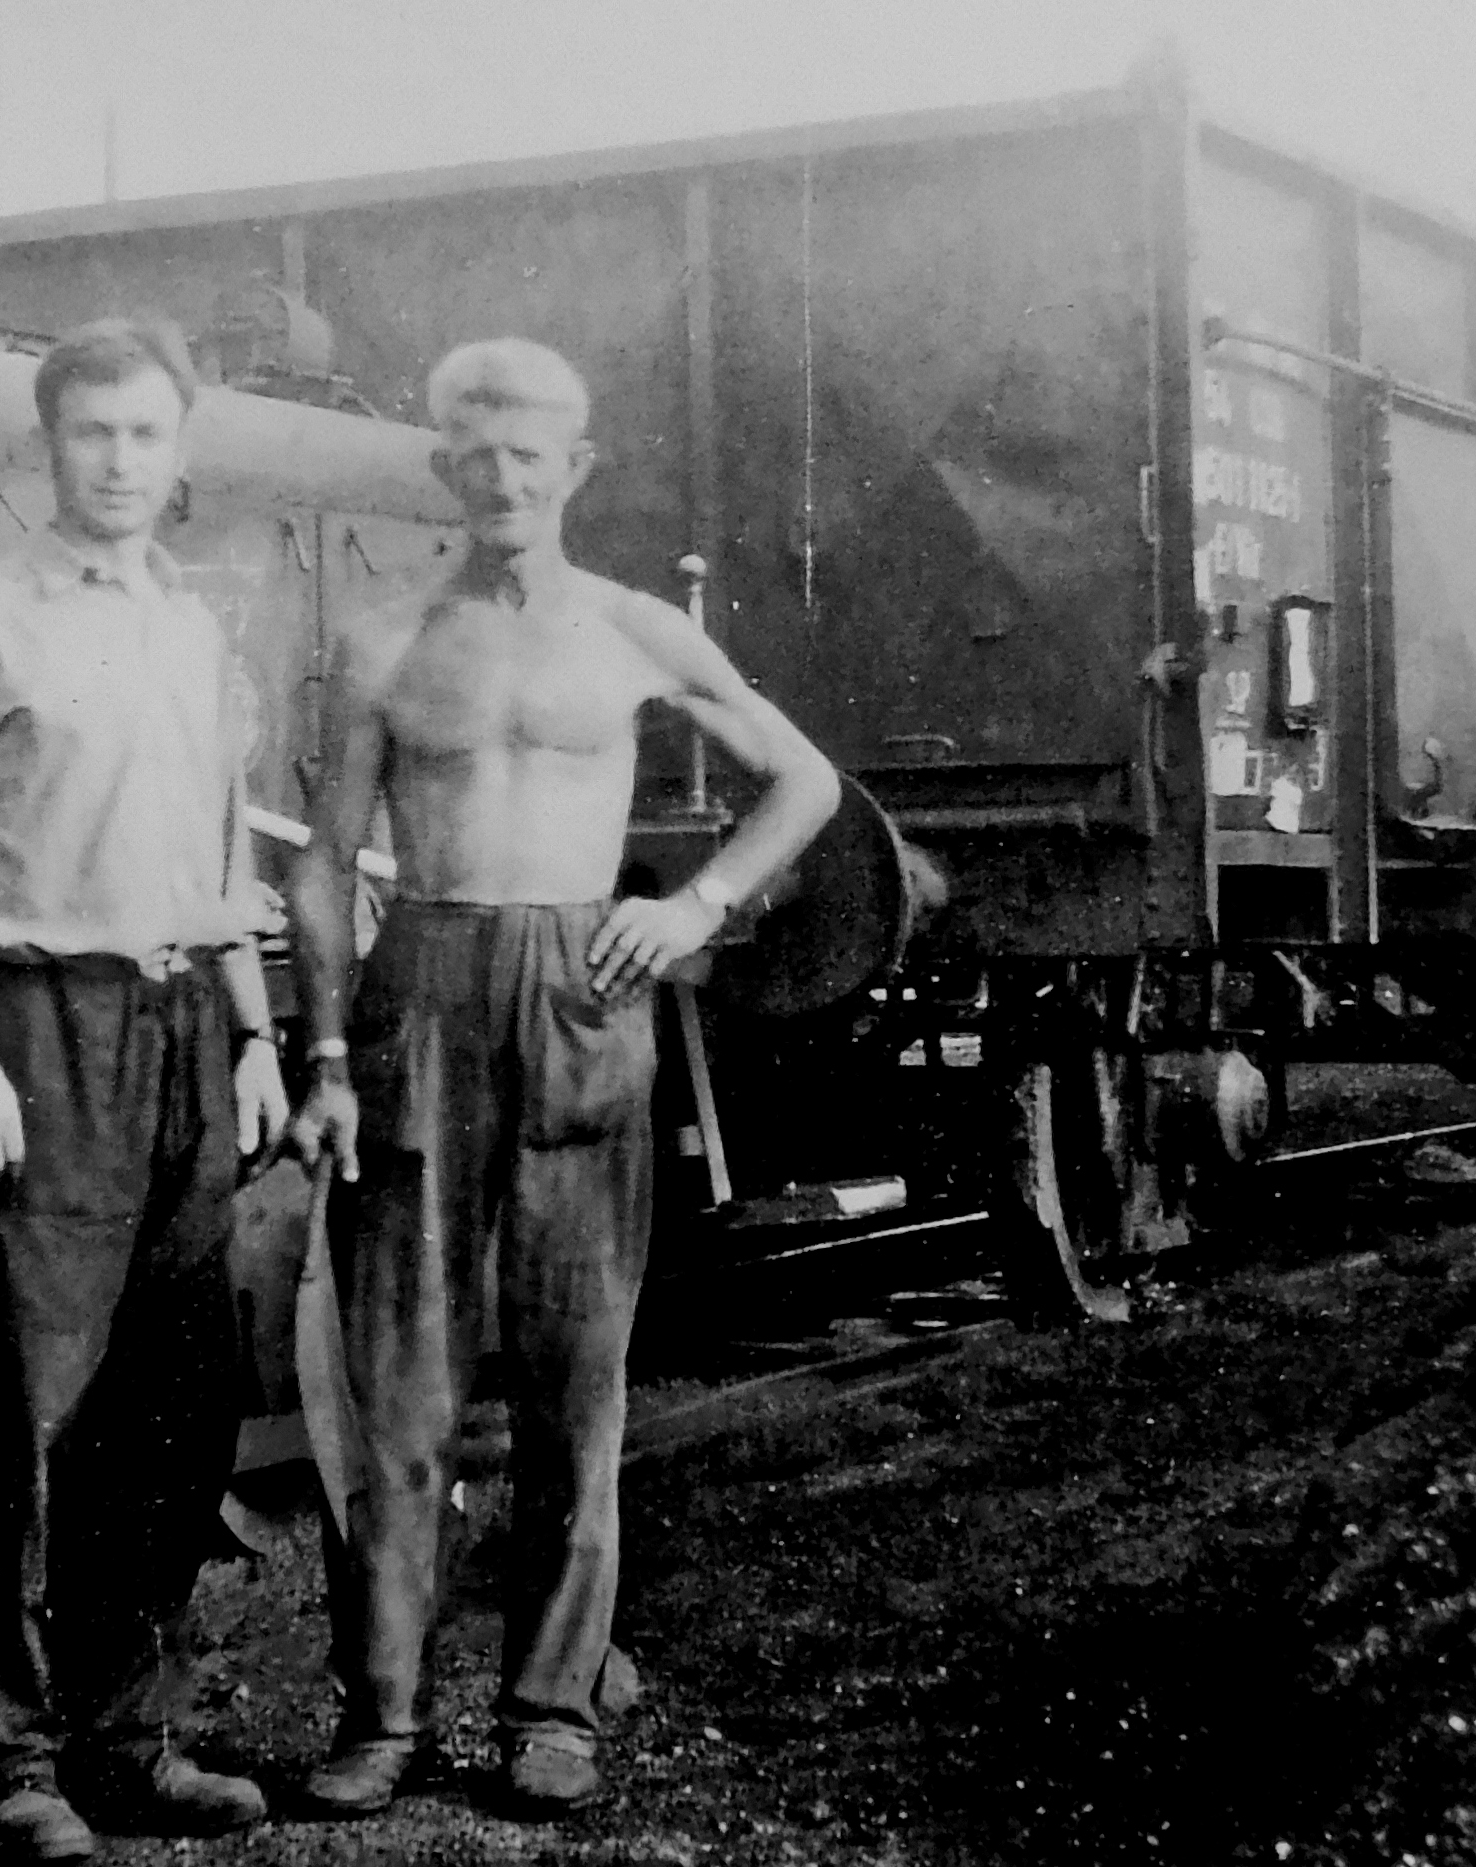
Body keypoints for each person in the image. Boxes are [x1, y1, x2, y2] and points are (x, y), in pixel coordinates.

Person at [287, 337, 841, 1818]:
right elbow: (326, 865)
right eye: (475, 455)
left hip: (582, 992)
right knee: (400, 1384)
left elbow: (804, 782)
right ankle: (382, 1717)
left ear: (575, 467)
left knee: (574, 1375)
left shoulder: (632, 629)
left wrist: (696, 906)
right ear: (442, 469)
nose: (503, 479)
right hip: (422, 983)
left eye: (530, 454)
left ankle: (549, 1709)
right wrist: (327, 1051)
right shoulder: (384, 639)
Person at [0, 317, 288, 1861]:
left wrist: (255, 1036)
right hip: (42, 1027)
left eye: (144, 434)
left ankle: (124, 1743)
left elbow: (226, 858)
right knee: (15, 1417)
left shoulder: (194, 629)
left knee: (170, 1416)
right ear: (45, 447)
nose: (119, 461)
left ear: (179, 455)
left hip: (185, 1032)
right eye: (91, 433)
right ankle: (6, 1767)